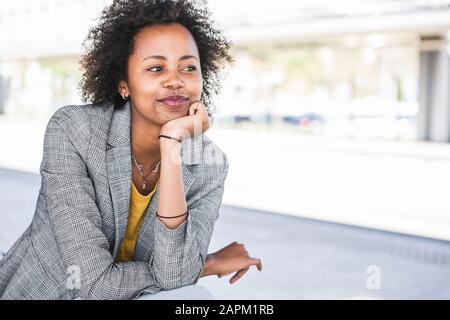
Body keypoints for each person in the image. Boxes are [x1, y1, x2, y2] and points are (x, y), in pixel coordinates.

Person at [0, 0, 262, 300]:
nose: (175, 80)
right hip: (46, 294)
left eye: (189, 67)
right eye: (156, 68)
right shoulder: (75, 130)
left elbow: (175, 277)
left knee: (194, 298)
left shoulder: (208, 165)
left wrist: (173, 146)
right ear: (124, 83)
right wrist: (206, 264)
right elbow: (95, 284)